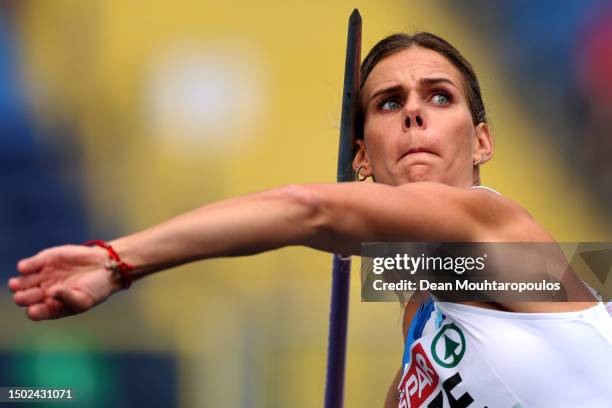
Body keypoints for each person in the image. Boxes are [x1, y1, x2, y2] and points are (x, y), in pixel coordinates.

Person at [8, 32, 612, 407]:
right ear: (361, 156)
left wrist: (120, 262)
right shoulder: (420, 318)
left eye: (439, 97)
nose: (414, 116)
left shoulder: (491, 227)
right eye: (389, 103)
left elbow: (308, 210)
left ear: (482, 141)